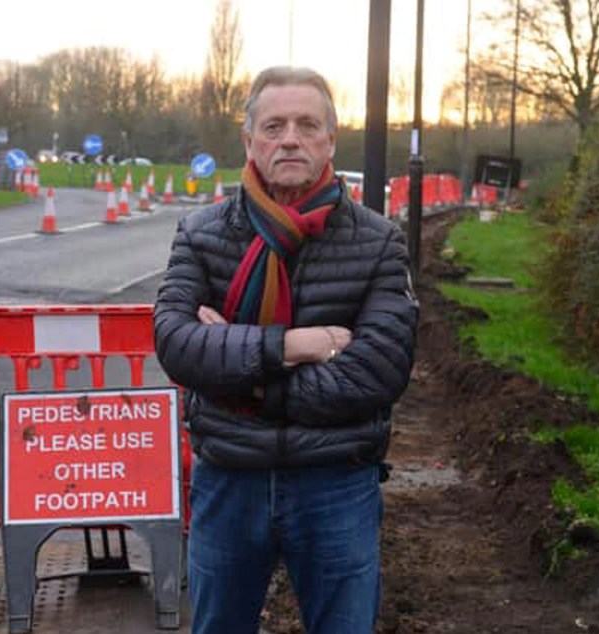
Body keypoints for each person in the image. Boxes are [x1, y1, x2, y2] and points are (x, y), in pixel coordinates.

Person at [153, 66, 419, 634]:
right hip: (229, 482)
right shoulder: (202, 233)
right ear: (249, 141)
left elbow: (377, 372)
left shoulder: (378, 241)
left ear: (330, 139)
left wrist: (239, 370)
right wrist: (295, 346)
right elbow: (176, 343)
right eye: (273, 126)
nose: (290, 138)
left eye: (306, 125)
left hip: (336, 482)